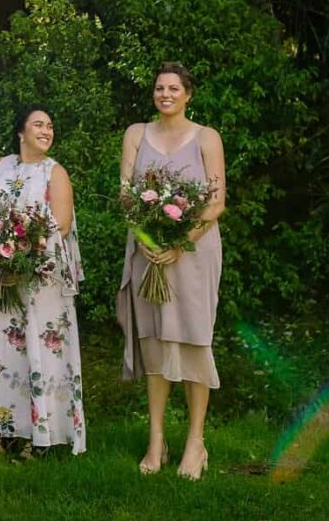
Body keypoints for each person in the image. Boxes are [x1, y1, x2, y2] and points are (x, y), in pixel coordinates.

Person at [118, 62, 225, 480]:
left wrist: (180, 243)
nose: (165, 94)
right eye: (160, 88)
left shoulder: (207, 137)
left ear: (188, 94)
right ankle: (156, 439)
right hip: (147, 251)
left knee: (195, 340)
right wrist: (148, 241)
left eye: (174, 88)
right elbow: (128, 197)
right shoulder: (135, 134)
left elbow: (215, 203)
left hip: (193, 252)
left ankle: (196, 443)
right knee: (156, 343)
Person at [0, 106, 85, 459]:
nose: (46, 131)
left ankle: (39, 437)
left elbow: (60, 226)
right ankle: (0, 431)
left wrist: (23, 260)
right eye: (38, 125)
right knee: (0, 352)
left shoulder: (55, 172)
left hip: (39, 279)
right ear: (21, 132)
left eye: (50, 125)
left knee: (38, 350)